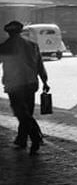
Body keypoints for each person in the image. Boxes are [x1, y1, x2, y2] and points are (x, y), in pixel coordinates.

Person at [0, 20, 50, 155]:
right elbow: (40, 65)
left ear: (9, 33)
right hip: (31, 83)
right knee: (27, 111)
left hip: (15, 85)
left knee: (21, 113)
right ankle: (21, 139)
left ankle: (35, 137)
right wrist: (45, 81)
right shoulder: (32, 45)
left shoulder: (5, 46)